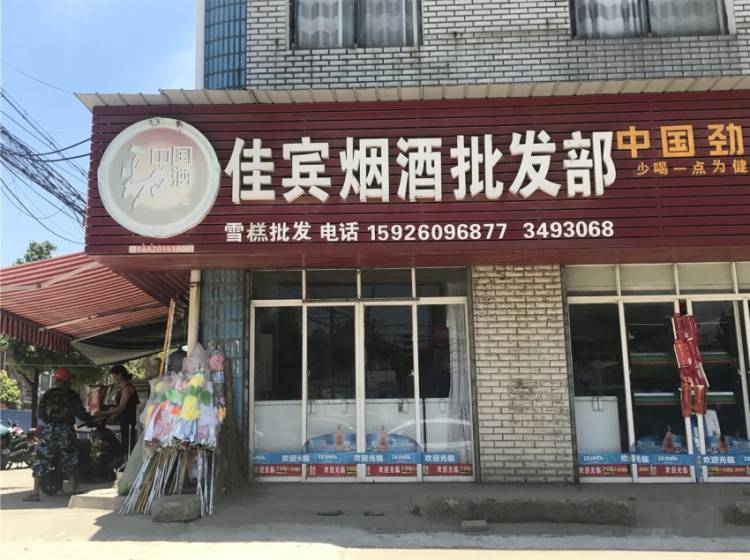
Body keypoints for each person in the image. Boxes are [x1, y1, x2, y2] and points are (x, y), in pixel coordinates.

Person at [24, 367, 91, 502]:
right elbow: (81, 414)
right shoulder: (72, 395)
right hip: (66, 430)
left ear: (56, 381)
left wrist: (50, 422)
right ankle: (74, 491)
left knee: (42, 458)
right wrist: (91, 419)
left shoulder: (48, 394)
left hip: (50, 430)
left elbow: (40, 413)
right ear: (68, 382)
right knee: (70, 458)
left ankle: (35, 493)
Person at [103, 365, 140, 456]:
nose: (113, 379)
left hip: (129, 422)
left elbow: (121, 407)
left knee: (127, 445)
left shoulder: (127, 389)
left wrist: (103, 412)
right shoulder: (122, 389)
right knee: (125, 443)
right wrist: (114, 415)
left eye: (113, 376)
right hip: (124, 421)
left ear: (119, 375)